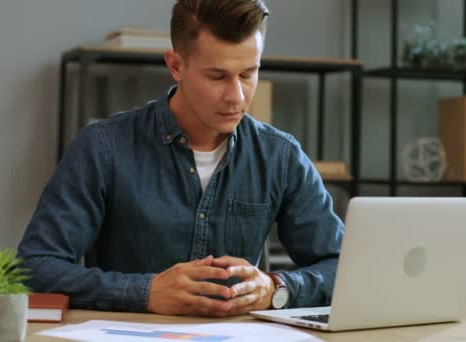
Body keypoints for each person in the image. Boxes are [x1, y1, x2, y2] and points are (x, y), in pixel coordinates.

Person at [18, 0, 344, 317]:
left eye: (248, 74)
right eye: (218, 76)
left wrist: (276, 288)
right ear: (176, 65)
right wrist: (144, 292)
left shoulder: (280, 156)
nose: (237, 96)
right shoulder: (103, 147)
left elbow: (342, 266)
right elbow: (35, 267)